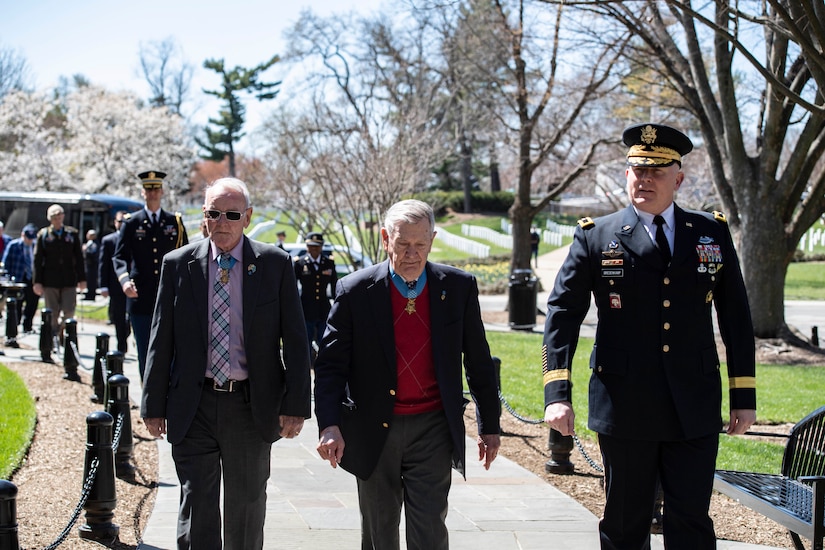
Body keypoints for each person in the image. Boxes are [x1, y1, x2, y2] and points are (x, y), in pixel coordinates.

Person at [542, 123, 756, 549]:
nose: (645, 179)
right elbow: (563, 314)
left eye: (657, 171)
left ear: (678, 178)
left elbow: (736, 317)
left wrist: (743, 397)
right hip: (625, 405)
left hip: (693, 403)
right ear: (626, 175)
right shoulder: (595, 236)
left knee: (691, 521)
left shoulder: (710, 233)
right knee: (625, 522)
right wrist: (557, 394)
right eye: (637, 169)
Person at [314, 199, 501, 549]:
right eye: (403, 244)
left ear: (432, 239)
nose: (412, 253)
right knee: (379, 532)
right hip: (372, 428)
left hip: (432, 428)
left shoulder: (458, 287)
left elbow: (478, 359)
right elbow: (330, 365)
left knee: (430, 530)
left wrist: (489, 425)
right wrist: (328, 423)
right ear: (386, 238)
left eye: (421, 244)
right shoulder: (355, 291)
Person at [141, 177, 311, 549]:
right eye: (214, 213)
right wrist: (153, 405)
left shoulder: (275, 264)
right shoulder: (178, 264)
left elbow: (296, 340)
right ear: (204, 216)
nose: (222, 222)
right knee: (197, 504)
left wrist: (296, 404)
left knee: (246, 506)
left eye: (231, 214)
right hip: (194, 403)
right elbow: (161, 338)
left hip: (251, 405)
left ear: (247, 217)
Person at [113, 170, 188, 380]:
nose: (153, 193)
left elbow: (186, 258)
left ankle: (171, 402)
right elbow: (119, 257)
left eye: (156, 188)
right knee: (146, 352)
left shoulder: (175, 222)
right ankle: (150, 402)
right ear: (142, 192)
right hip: (141, 298)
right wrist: (125, 281)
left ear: (162, 191)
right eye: (149, 189)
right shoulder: (131, 223)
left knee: (172, 352)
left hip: (169, 297)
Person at [32, 204, 86, 349]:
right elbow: (37, 260)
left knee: (69, 311)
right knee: (52, 313)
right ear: (50, 219)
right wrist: (37, 282)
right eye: (55, 217)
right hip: (50, 280)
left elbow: (79, 258)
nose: (58, 219)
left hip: (69, 280)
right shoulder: (43, 235)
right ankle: (53, 337)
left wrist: (82, 279)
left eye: (60, 216)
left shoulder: (71, 234)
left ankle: (63, 333)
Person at [293, 232, 336, 357]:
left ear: (322, 247)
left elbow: (334, 286)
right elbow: (293, 287)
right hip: (306, 309)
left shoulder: (328, 263)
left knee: (325, 343)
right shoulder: (300, 263)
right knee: (305, 344)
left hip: (323, 310)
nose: (314, 249)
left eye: (317, 246)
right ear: (307, 247)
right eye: (311, 246)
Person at [98, 212, 130, 354]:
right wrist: (103, 285)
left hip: (133, 284)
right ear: (115, 222)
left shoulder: (134, 237)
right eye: (120, 221)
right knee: (118, 316)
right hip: (116, 285)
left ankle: (125, 334)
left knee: (129, 318)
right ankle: (121, 346)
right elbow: (103, 264)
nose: (122, 224)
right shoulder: (108, 240)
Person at [1, 223, 39, 334]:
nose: (29, 240)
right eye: (27, 238)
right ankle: (14, 327)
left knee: (32, 303)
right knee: (17, 303)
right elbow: (6, 263)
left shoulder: (36, 246)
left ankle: (28, 326)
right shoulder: (14, 245)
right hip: (17, 279)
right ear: (23, 235)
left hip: (32, 279)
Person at [82, 229, 99, 300]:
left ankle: (91, 295)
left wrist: (85, 250)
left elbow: (92, 254)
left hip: (92, 266)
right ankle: (89, 293)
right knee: (89, 280)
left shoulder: (93, 243)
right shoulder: (91, 242)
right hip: (90, 265)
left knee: (91, 280)